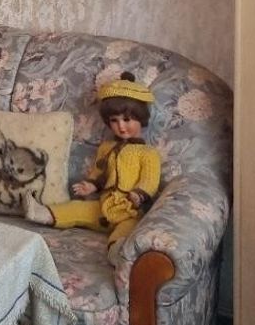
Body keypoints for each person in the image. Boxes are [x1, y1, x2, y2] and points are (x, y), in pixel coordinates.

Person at [23, 72, 161, 247]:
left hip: (129, 211)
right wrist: (90, 185)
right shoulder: (106, 147)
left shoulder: (148, 153)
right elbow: (98, 172)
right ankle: (43, 213)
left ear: (141, 118)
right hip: (103, 206)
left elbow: (150, 181)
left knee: (126, 230)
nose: (121, 126)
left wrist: (139, 194)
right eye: (114, 121)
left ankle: (116, 250)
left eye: (127, 119)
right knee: (77, 208)